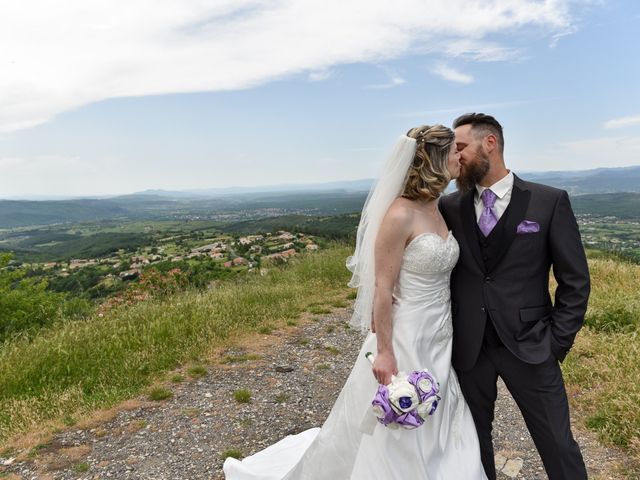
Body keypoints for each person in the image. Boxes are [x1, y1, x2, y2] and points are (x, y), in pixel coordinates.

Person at [223, 125, 487, 479]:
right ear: (435, 159)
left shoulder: (437, 208)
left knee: (441, 409)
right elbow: (382, 288)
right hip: (406, 332)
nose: (460, 156)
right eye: (454, 150)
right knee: (399, 421)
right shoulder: (399, 215)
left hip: (440, 330)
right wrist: (385, 351)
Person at [439, 113, 590, 480]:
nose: (456, 158)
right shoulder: (449, 207)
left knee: (558, 443)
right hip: (469, 347)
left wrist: (557, 342)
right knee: (472, 443)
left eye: (460, 148)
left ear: (490, 143)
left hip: (532, 344)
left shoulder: (548, 202)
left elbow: (575, 280)